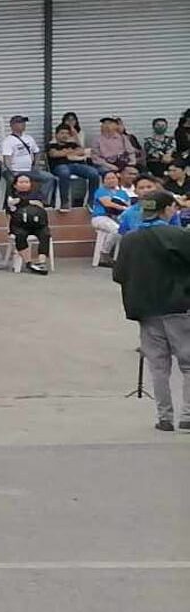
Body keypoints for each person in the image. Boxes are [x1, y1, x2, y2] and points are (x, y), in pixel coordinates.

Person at [110, 196, 190, 431]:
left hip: (145, 309)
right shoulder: (178, 235)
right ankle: (188, 415)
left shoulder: (130, 239)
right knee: (187, 364)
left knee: (158, 366)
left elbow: (118, 275)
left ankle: (164, 417)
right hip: (178, 306)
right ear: (167, 210)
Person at [0, 116, 52, 206]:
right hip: (15, 170)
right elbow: (6, 159)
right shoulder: (8, 141)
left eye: (23, 123)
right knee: (14, 181)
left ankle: (41, 200)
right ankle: (14, 202)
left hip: (29, 170)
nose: (23, 125)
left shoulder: (29, 138)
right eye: (20, 123)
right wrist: (13, 172)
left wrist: (35, 166)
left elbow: (37, 152)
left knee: (49, 178)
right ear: (12, 125)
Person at [46, 122, 101, 207]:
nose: (65, 135)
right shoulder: (51, 145)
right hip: (60, 166)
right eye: (62, 133)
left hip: (77, 165)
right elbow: (54, 154)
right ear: (56, 135)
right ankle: (65, 202)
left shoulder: (73, 144)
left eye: (67, 133)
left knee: (94, 173)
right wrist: (71, 152)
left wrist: (65, 152)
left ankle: (92, 201)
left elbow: (82, 151)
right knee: (64, 173)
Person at [6, 174, 51, 275]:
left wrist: (22, 201)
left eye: (26, 182)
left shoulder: (37, 194)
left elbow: (41, 204)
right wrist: (30, 203)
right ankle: (28, 263)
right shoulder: (11, 195)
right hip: (19, 225)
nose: (24, 184)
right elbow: (11, 207)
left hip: (37, 224)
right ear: (15, 185)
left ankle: (41, 262)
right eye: (21, 182)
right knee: (20, 235)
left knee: (45, 234)